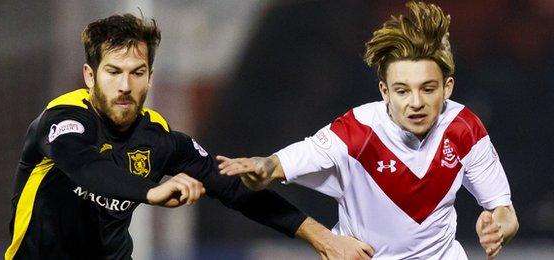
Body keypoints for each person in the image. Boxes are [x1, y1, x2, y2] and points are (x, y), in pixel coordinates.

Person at [4, 13, 354, 260]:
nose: (125, 86)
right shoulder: (64, 120)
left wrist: (321, 237)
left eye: (137, 73)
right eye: (113, 72)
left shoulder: (159, 139)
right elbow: (86, 167)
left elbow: (235, 190)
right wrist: (150, 191)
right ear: (90, 75)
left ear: (150, 78)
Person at [218, 1, 519, 259]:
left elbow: (504, 212)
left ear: (447, 88)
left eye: (427, 89)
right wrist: (264, 167)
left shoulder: (465, 128)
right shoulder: (356, 131)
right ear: (385, 91)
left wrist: (497, 229)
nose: (416, 103)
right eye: (403, 91)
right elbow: (287, 162)